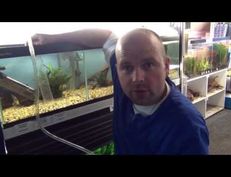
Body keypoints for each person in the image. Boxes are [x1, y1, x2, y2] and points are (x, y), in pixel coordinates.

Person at [32, 27, 209, 155]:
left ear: (166, 66)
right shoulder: (124, 83)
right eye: (127, 67)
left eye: (148, 64)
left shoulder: (186, 128)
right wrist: (51, 38)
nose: (137, 78)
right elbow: (107, 36)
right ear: (117, 69)